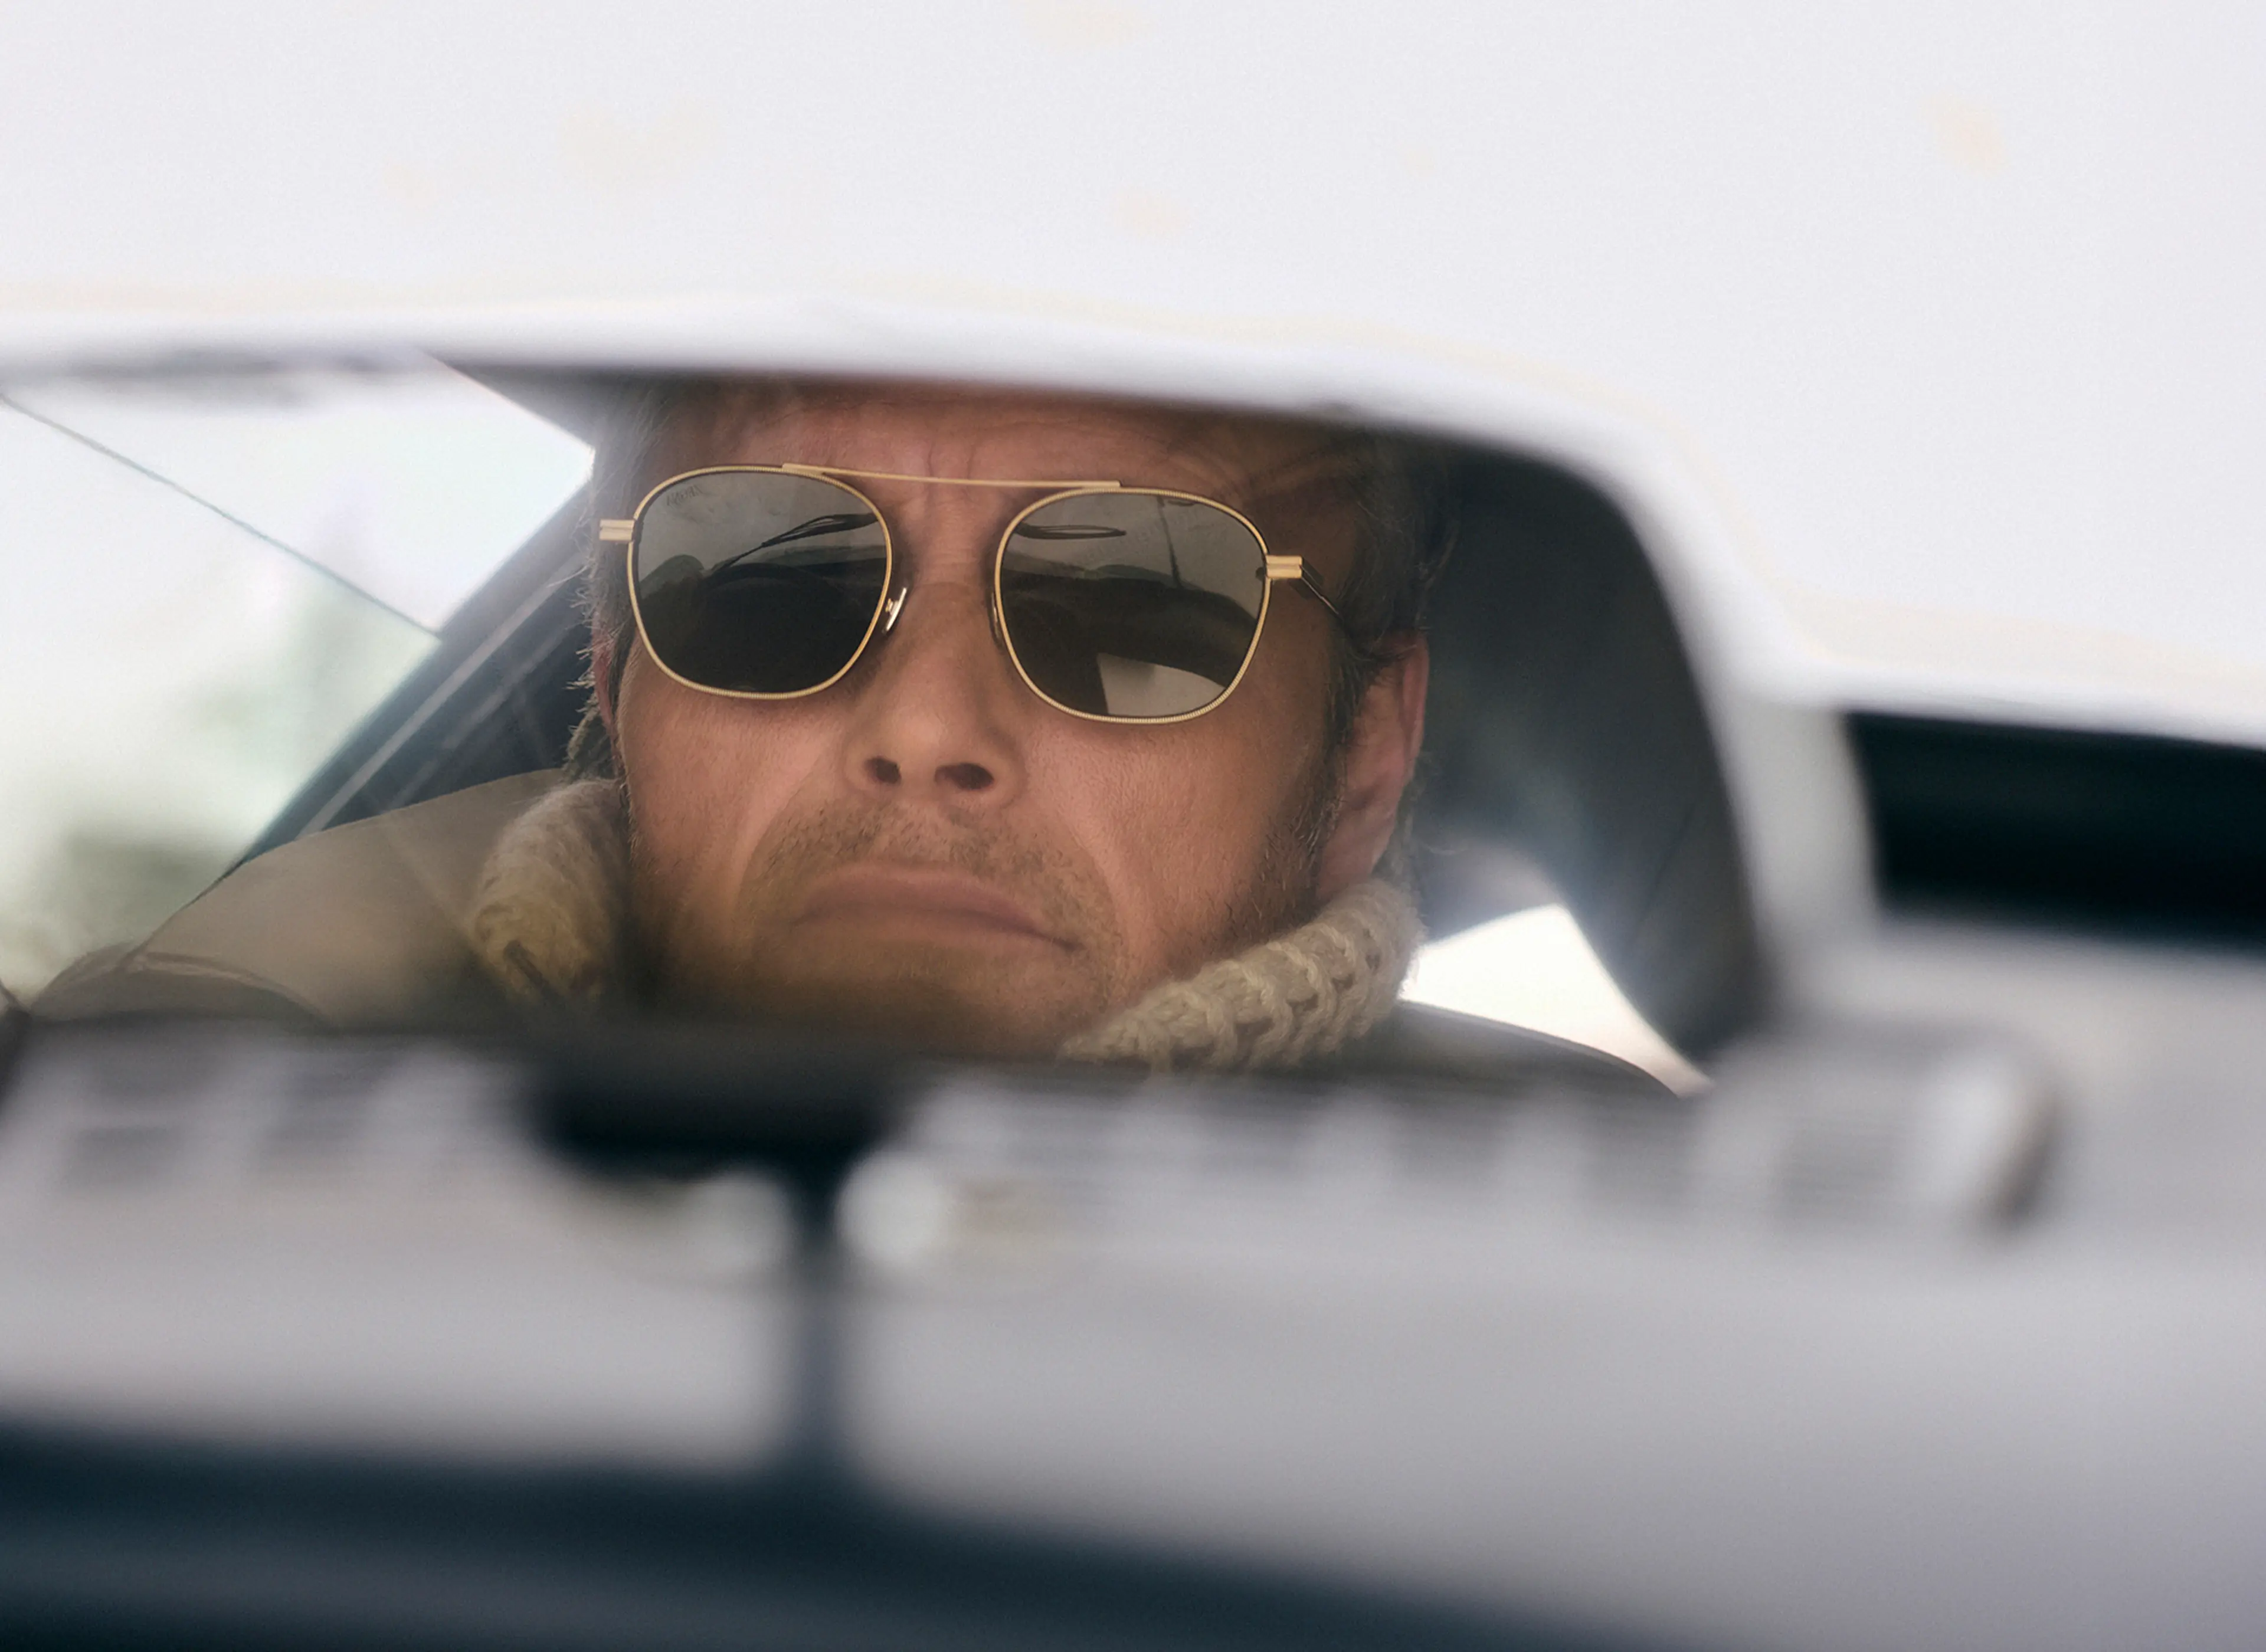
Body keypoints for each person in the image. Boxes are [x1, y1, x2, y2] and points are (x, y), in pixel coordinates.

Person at [40, 377, 1655, 1087]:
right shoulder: (179, 1161)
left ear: (1368, 752)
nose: (929, 727)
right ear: (616, 675)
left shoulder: (1605, 1343)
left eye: (1135, 606)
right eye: (767, 578)